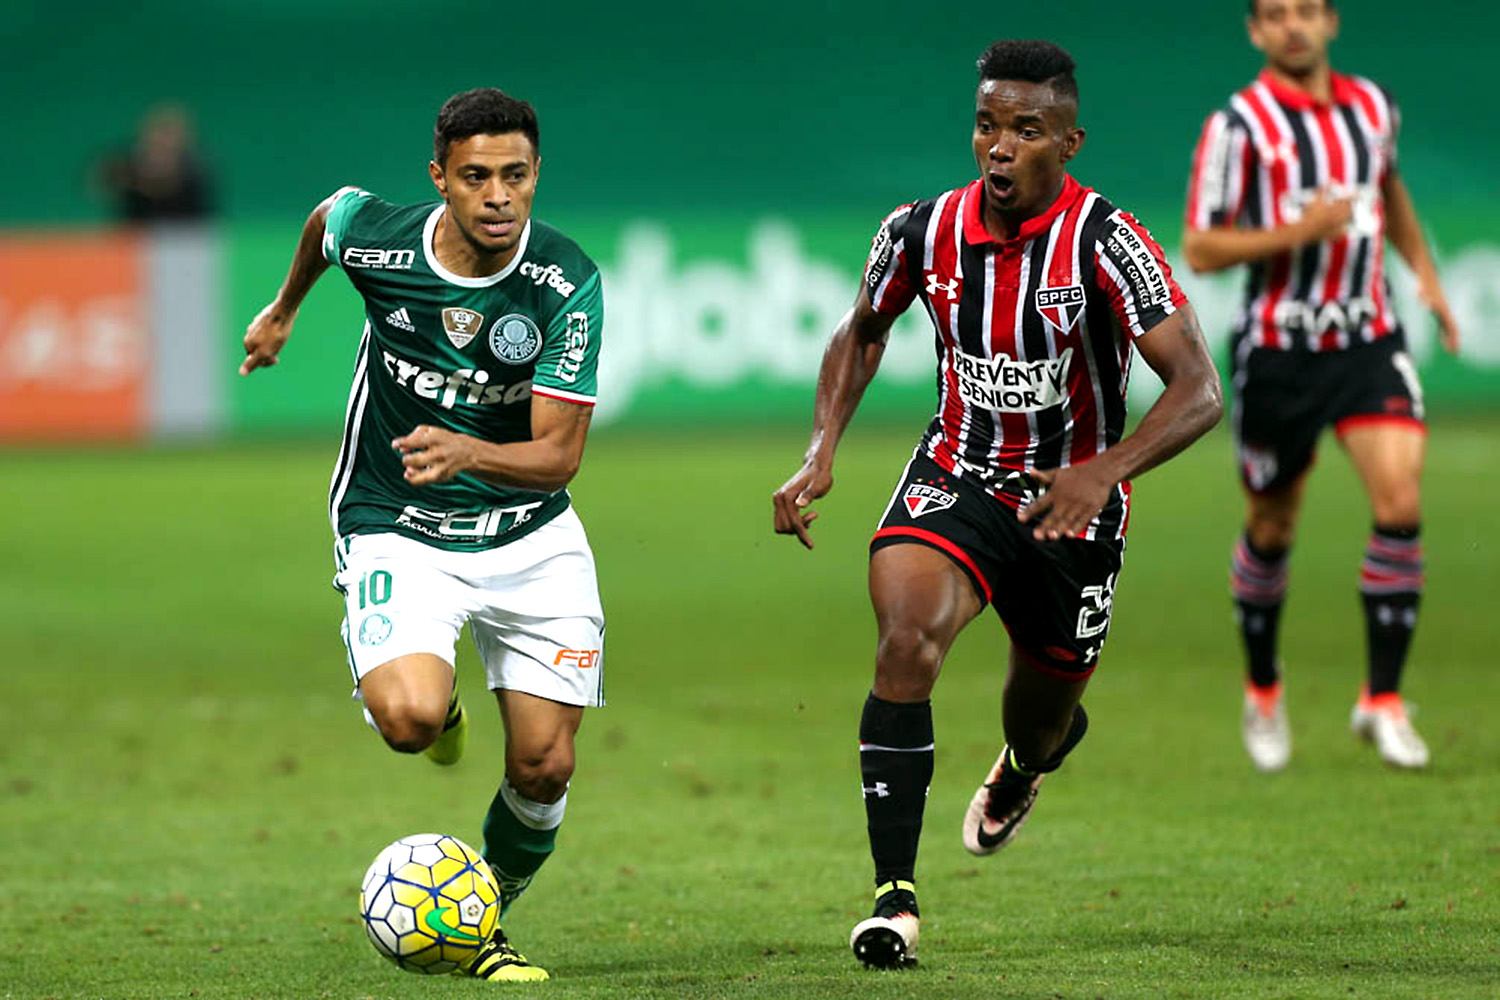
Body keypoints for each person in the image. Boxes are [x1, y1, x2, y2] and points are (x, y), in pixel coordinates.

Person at [773, 40, 1222, 968]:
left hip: (1073, 507)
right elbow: (862, 332)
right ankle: (894, 899)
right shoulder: (918, 231)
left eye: (1026, 129)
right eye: (987, 125)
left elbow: (1198, 389)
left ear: (1069, 140)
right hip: (959, 474)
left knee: (1041, 720)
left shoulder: (1108, 241)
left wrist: (1107, 471)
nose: (1000, 147)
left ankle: (1026, 764)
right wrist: (821, 451)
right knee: (906, 638)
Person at [240, 88, 605, 982]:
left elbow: (557, 457)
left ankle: (480, 920)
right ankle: (440, 707)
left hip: (530, 536)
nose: (498, 197)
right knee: (406, 720)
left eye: (515, 176)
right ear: (439, 177)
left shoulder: (565, 282)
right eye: (475, 177)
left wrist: (471, 447)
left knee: (546, 767)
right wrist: (284, 307)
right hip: (395, 519)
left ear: (536, 175)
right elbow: (329, 218)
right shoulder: (384, 240)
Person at [1183, 0, 1459, 772]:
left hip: (1368, 339)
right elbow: (1201, 245)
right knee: (1272, 527)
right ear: (1255, 31)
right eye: (1275, 14)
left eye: (1306, 10)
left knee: (1401, 500)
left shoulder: (1374, 106)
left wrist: (1427, 278)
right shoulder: (1237, 127)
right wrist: (1299, 233)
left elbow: (1389, 188)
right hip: (1279, 353)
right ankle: (1264, 688)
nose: (1293, 25)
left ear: (1332, 20)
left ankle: (1382, 700)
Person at [96, 103, 215, 223]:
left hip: (185, 234)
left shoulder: (197, 169)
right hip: (134, 233)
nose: (163, 141)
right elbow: (100, 185)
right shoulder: (128, 162)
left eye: (170, 135)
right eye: (159, 133)